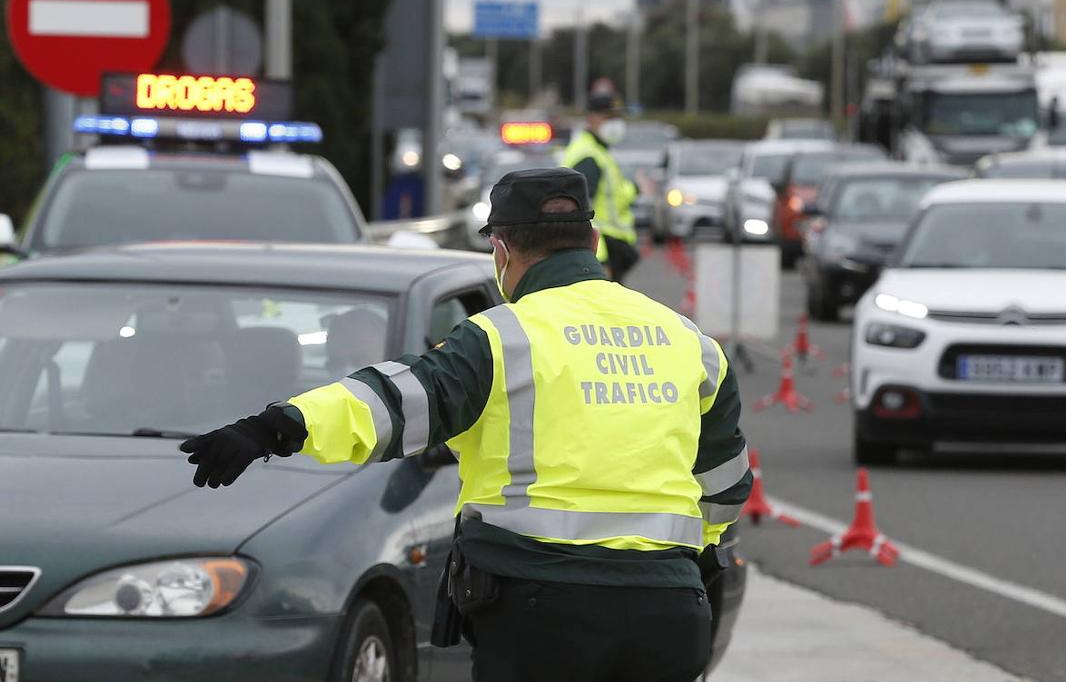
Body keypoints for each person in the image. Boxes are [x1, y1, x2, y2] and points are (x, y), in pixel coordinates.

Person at [179, 167, 751, 682]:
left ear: (501, 252)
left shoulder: (504, 337)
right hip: (669, 613)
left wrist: (274, 428)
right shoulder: (689, 342)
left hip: (541, 615)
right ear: (595, 243)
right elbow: (725, 488)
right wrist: (674, 564)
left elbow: (394, 404)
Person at [562, 91, 640, 282]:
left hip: (608, 248)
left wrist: (637, 188)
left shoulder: (599, 151)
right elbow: (579, 212)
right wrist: (599, 260)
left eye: (618, 116)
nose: (615, 122)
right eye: (609, 116)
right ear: (591, 118)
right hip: (601, 252)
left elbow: (613, 197)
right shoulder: (588, 156)